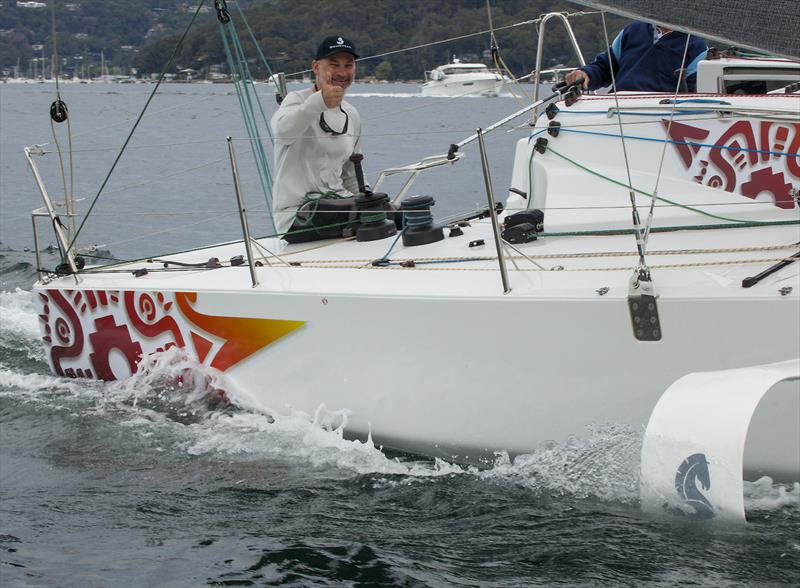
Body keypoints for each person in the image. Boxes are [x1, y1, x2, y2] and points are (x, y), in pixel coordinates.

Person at [270, 36, 362, 236]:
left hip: (339, 205)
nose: (342, 72)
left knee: (397, 213)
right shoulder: (297, 101)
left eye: (349, 65)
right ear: (315, 67)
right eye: (333, 64)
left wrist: (368, 201)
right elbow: (282, 132)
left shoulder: (351, 114)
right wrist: (319, 101)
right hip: (299, 214)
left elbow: (351, 175)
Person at [564, 22, 708, 93]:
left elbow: (691, 97)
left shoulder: (696, 47)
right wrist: (586, 74)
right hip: (616, 109)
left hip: (661, 118)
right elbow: (605, 67)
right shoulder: (632, 31)